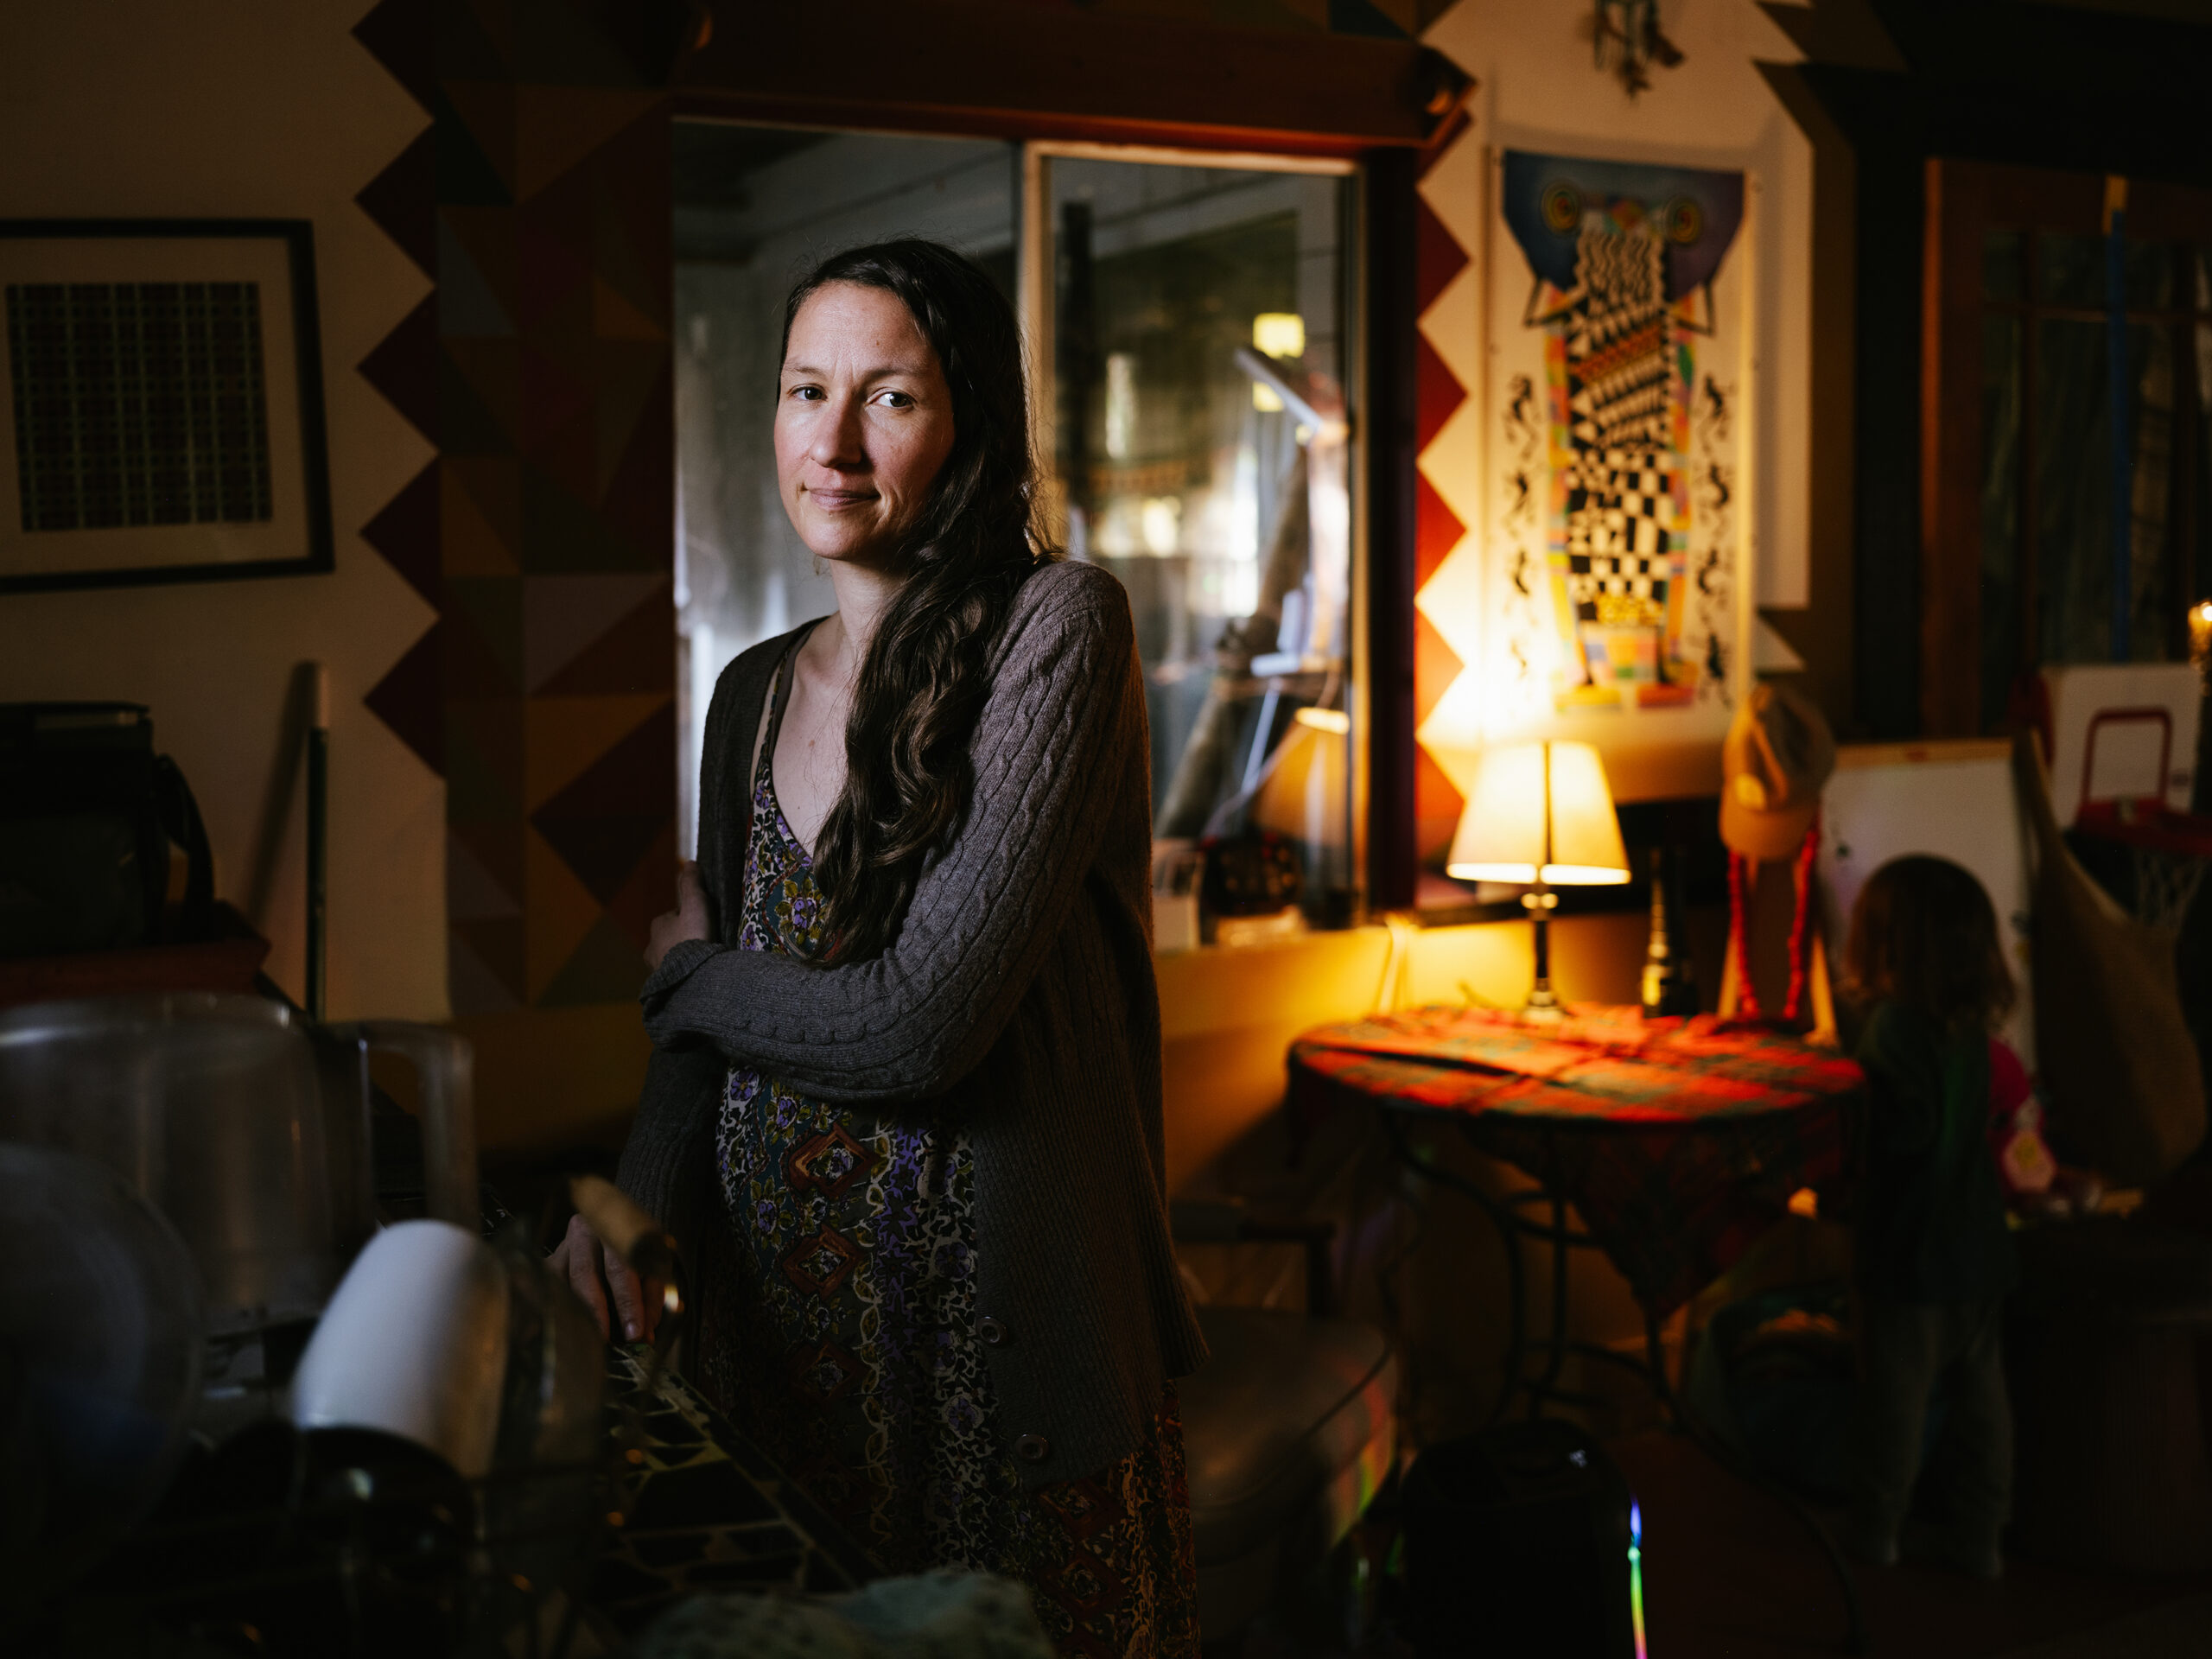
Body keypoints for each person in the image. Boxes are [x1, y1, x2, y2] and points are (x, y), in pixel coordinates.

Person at [550, 239, 1205, 1656]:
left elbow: (921, 1027)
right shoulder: (746, 692)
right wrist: (627, 1220)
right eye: (806, 391)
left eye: (890, 398)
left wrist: (687, 973)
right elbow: (696, 1052)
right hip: (774, 1361)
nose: (834, 443)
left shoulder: (1058, 630)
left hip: (1003, 1376)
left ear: (971, 426)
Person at [1839, 854, 2018, 1579]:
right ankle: (1983, 1539)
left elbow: (1904, 1138)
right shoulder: (1969, 1031)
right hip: (1977, 1248)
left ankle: (1877, 1532)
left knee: (1896, 1403)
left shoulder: (1891, 1028)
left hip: (1911, 1253)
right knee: (1983, 1403)